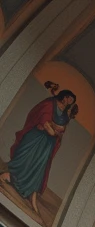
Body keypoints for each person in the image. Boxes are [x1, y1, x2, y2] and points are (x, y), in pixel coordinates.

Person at [1, 83, 77, 218]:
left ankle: (33, 197)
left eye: (71, 101)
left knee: (39, 168)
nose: (69, 102)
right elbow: (44, 121)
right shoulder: (50, 103)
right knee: (25, 159)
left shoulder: (65, 116)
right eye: (68, 99)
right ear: (64, 96)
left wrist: (54, 130)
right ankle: (8, 176)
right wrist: (53, 129)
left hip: (47, 145)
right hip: (35, 138)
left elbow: (61, 130)